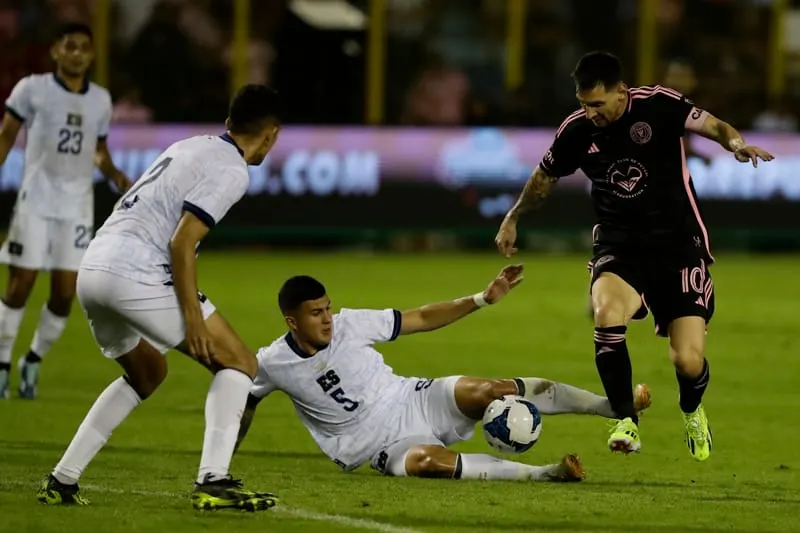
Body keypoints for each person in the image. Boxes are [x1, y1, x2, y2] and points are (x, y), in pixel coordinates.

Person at [495, 51, 774, 461]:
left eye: (597, 104)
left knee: (687, 359)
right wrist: (513, 217)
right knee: (606, 313)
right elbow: (543, 179)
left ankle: (692, 409)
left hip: (679, 244)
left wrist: (736, 143)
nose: (589, 113)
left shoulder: (659, 104)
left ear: (620, 92)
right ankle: (625, 418)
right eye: (583, 104)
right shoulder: (576, 130)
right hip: (619, 243)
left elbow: (712, 124)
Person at [36, 84, 282, 512]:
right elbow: (182, 242)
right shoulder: (233, 169)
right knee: (240, 363)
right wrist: (193, 318)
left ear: (228, 123)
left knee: (148, 371)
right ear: (272, 134)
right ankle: (214, 481)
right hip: (135, 272)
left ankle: (62, 479)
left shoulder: (189, 146)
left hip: (93, 267)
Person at [235, 267, 651, 481]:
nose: (327, 320)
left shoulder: (350, 324)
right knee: (429, 463)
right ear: (292, 322)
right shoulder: (272, 362)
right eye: (315, 314)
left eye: (327, 308)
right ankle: (545, 474)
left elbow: (420, 317)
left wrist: (482, 299)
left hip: (412, 398)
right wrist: (225, 454)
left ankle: (610, 407)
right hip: (379, 445)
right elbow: (245, 401)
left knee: (491, 390)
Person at [0, 23, 131, 400]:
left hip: (76, 206)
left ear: (91, 55)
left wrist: (114, 174)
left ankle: (33, 359)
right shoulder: (32, 89)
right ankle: (3, 362)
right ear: (55, 51)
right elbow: (7, 135)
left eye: (84, 48)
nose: (77, 53)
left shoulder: (100, 100)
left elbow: (99, 149)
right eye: (69, 46)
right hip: (37, 201)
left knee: (63, 294)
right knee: (19, 285)